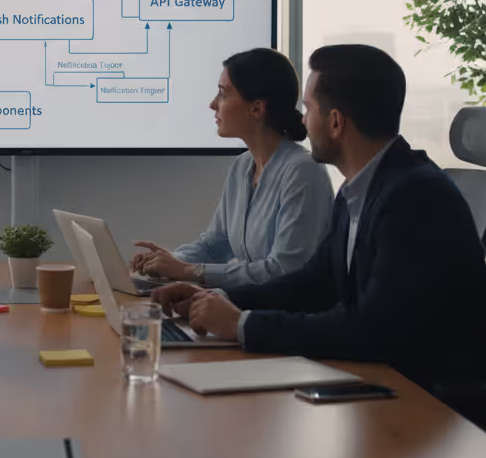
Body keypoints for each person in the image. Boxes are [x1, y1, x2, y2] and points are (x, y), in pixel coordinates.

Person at [151, 45, 486, 389]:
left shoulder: (413, 197)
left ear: (335, 122)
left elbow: (370, 330)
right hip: (390, 383)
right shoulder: (360, 190)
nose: (302, 121)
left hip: (440, 404)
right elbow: (316, 282)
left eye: (308, 109)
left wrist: (244, 324)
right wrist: (220, 297)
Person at [129, 48, 333, 289]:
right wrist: (166, 261)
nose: (212, 104)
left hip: (286, 311)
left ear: (256, 108)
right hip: (249, 305)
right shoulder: (242, 165)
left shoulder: (303, 171)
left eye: (223, 94)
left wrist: (187, 271)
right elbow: (215, 245)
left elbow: (284, 270)